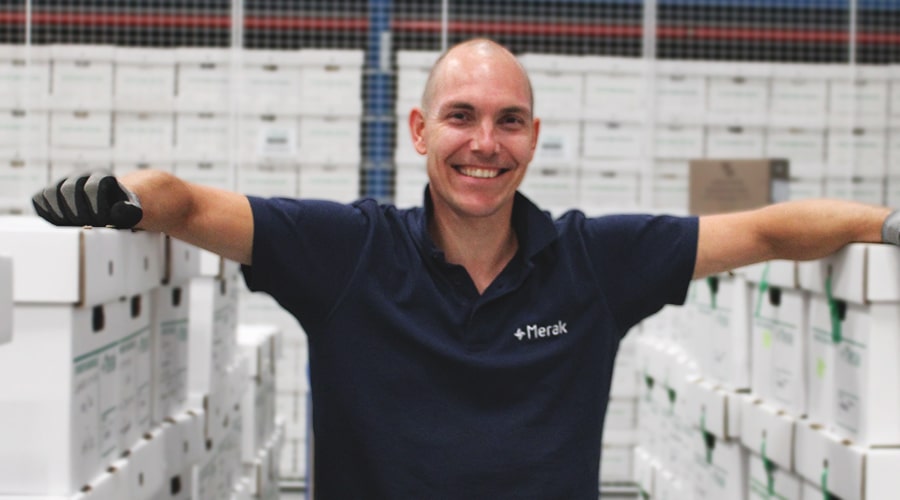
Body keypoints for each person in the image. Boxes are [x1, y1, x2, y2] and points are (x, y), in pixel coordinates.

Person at [33, 38, 898, 499]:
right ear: (418, 131)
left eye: (509, 121)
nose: (485, 144)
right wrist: (127, 191)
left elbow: (769, 232)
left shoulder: (595, 261)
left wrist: (886, 222)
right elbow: (186, 204)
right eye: (461, 117)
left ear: (533, 137)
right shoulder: (346, 253)